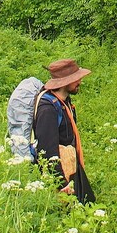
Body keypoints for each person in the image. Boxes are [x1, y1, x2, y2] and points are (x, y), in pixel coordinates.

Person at [33, 58, 96, 204]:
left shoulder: (63, 101)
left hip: (72, 165)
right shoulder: (48, 109)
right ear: (65, 82)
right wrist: (62, 183)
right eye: (76, 79)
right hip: (61, 174)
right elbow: (47, 149)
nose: (80, 81)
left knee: (88, 204)